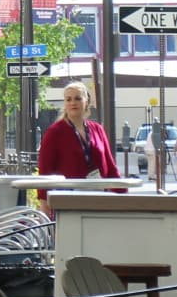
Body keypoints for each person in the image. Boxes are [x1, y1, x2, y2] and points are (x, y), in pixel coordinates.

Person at [36, 82, 118, 212]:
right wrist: (45, 206)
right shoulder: (55, 132)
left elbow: (111, 167)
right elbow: (44, 172)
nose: (73, 103)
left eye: (78, 98)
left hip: (99, 198)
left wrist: (121, 197)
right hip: (69, 202)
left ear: (87, 101)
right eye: (68, 99)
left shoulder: (97, 129)